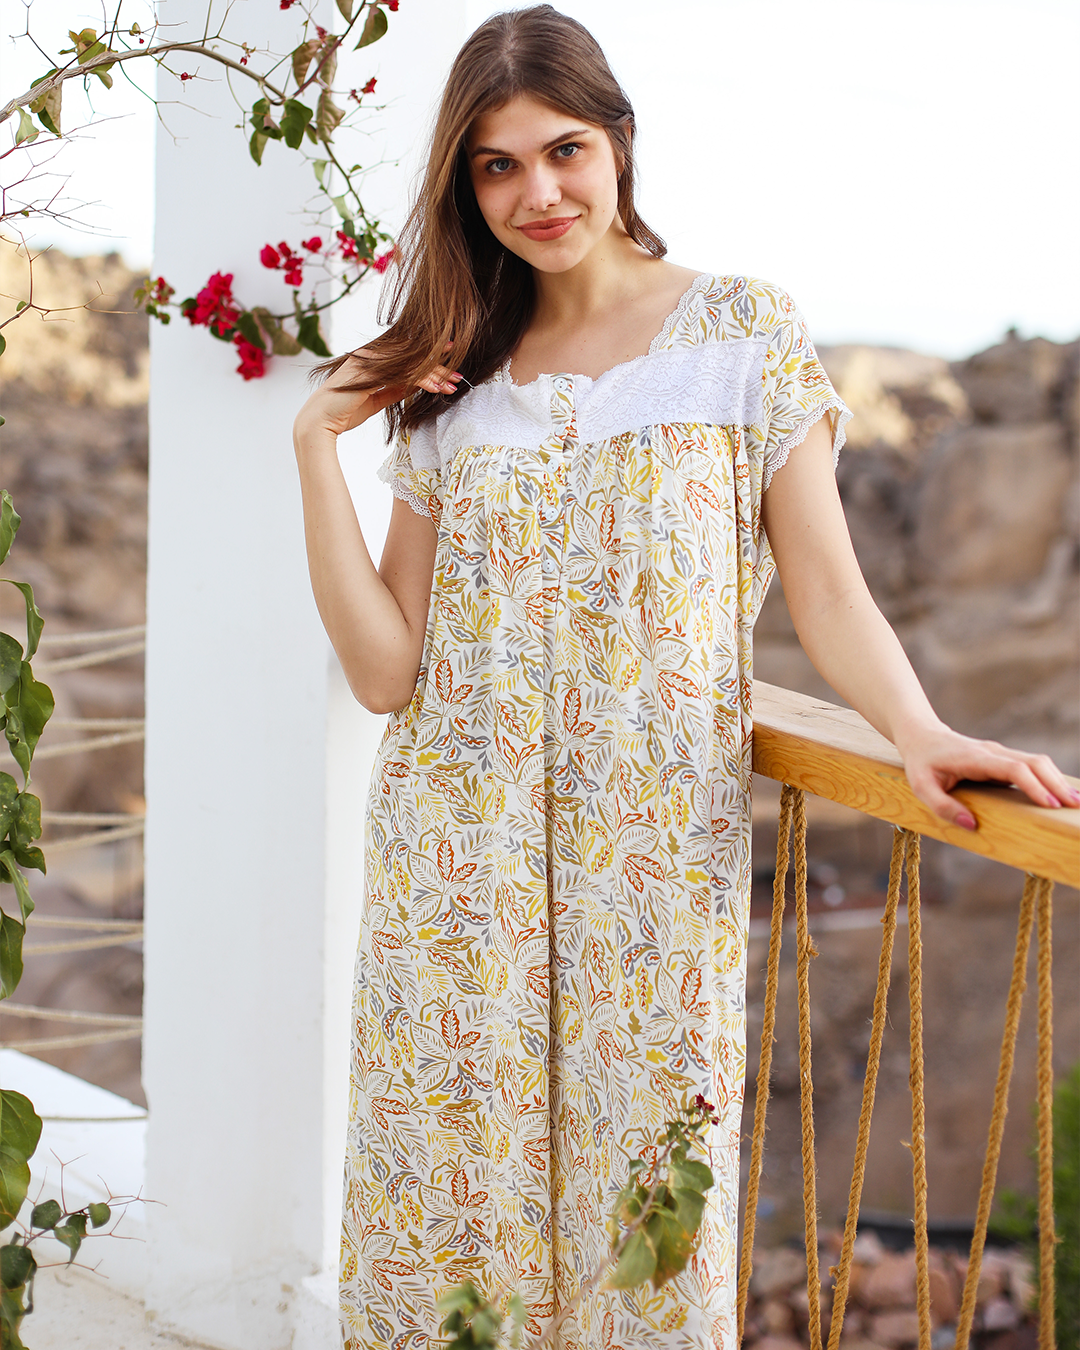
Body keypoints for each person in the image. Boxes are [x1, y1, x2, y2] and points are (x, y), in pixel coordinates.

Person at [292, 8, 1077, 1348]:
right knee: (453, 1219)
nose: (539, 192)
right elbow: (383, 671)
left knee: (643, 1227)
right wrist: (316, 443)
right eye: (497, 166)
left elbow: (828, 589)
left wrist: (920, 729)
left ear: (619, 143)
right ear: (465, 187)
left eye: (565, 149)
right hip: (455, 866)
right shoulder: (455, 380)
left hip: (650, 863)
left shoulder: (741, 333)